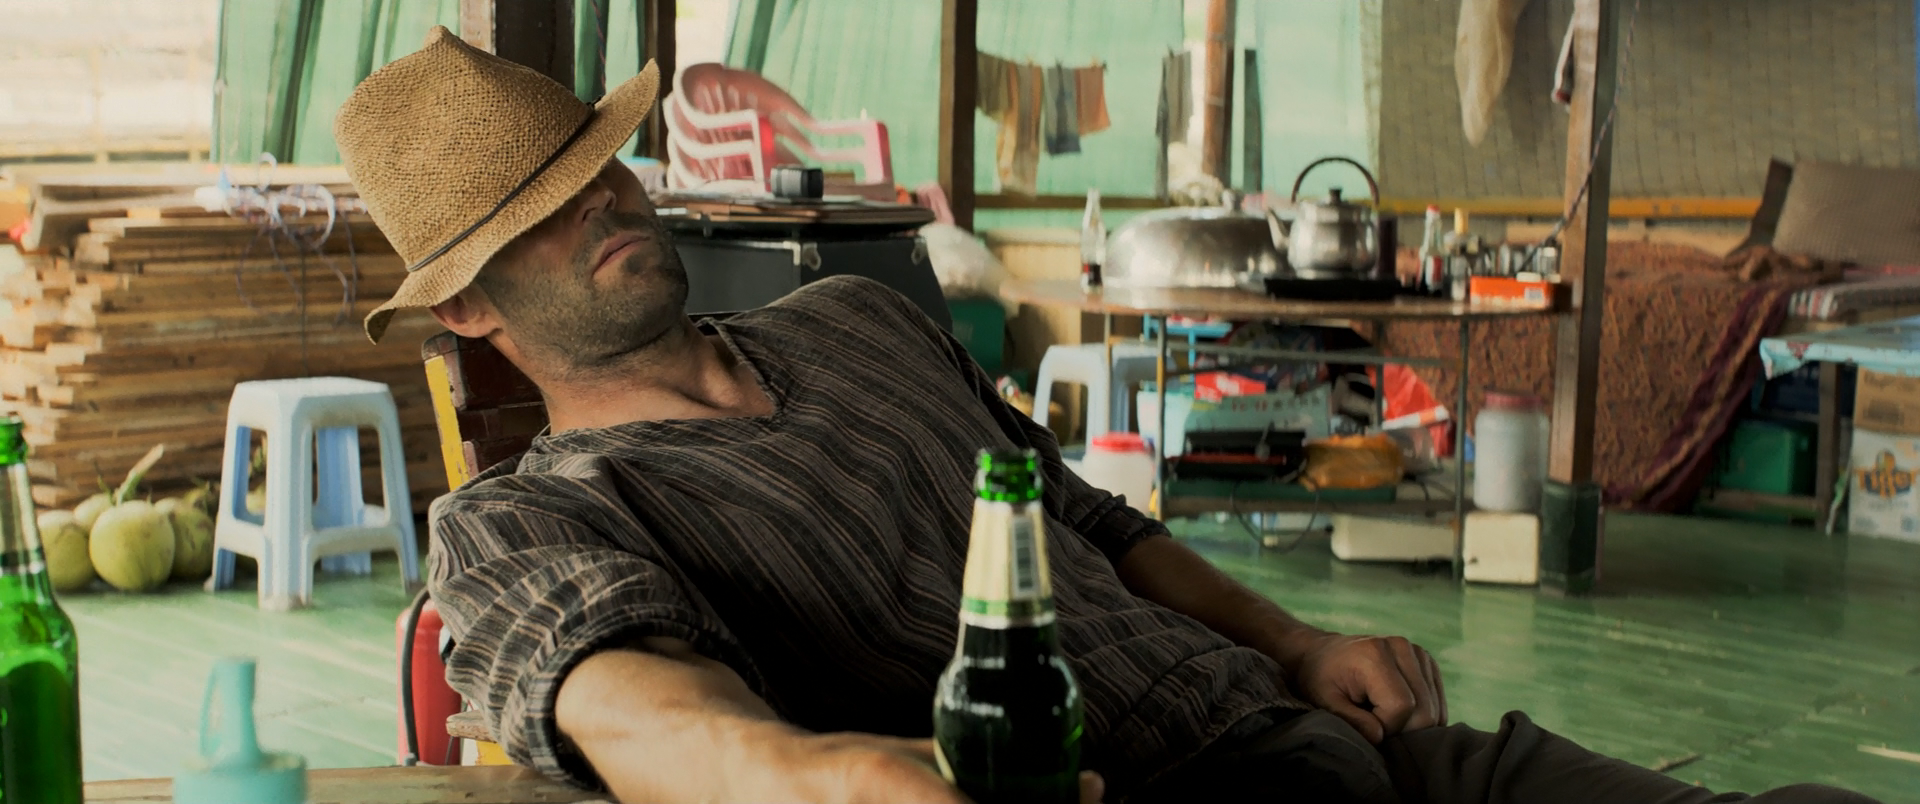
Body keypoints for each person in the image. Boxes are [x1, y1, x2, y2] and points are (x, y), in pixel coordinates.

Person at [333, 28, 1879, 804]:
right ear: (466, 308)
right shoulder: (532, 517)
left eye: (597, 168)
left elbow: (1091, 523)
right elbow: (630, 704)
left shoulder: (857, 319)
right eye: (540, 216)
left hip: (1338, 743)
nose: (606, 207)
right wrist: (836, 780)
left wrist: (1298, 641)